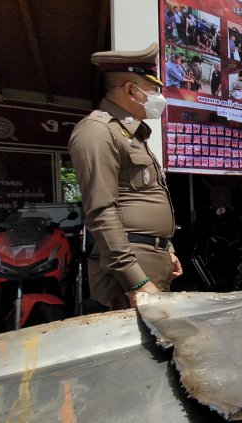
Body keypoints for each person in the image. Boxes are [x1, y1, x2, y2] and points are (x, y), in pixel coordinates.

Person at [68, 43, 182, 310]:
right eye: (153, 89)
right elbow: (101, 211)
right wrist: (134, 281)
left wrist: (168, 250)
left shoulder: (132, 134)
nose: (158, 97)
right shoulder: (97, 131)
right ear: (131, 90)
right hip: (129, 268)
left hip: (149, 258)